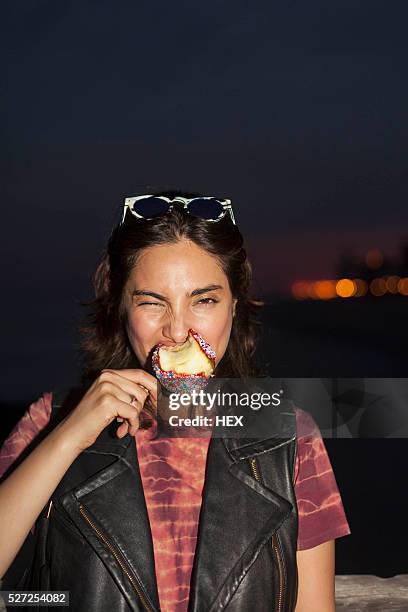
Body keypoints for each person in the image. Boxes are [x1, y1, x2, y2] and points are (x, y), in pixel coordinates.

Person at [0, 191, 351, 611]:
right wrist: (67, 439)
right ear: (120, 308)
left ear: (234, 308)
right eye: (152, 302)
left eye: (204, 300)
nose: (178, 330)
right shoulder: (49, 419)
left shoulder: (290, 434)